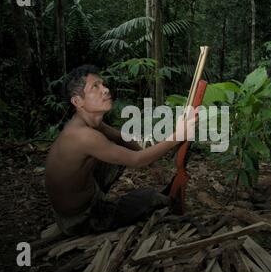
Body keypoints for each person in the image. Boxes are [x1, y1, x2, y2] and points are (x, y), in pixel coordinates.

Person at [45, 65, 195, 235]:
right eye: (95, 87)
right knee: (151, 197)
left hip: (88, 191)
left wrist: (152, 163)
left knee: (118, 145)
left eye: (103, 84)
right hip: (82, 218)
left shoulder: (89, 122)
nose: (105, 89)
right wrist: (178, 135)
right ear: (77, 101)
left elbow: (122, 138)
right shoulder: (83, 136)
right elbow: (136, 159)